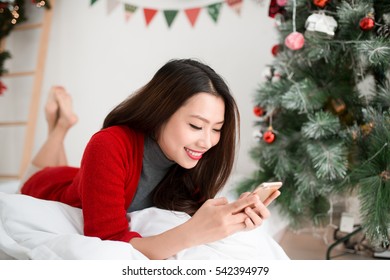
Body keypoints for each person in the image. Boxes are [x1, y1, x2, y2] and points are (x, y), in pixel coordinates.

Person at [20, 58, 280, 260]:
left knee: (73, 172)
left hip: (82, 176)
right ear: (161, 113)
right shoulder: (108, 143)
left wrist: (234, 218)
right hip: (48, 186)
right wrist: (189, 235)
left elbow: (195, 213)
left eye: (216, 129)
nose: (207, 142)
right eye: (195, 125)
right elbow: (108, 241)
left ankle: (61, 127)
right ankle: (60, 126)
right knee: (38, 173)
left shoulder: (188, 162)